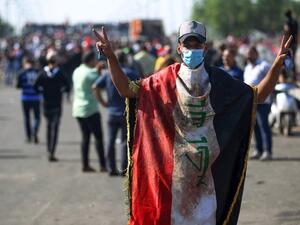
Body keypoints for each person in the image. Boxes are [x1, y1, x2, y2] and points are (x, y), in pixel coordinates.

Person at [93, 20, 291, 225]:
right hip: (172, 182)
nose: (192, 49)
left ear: (205, 48)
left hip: (208, 182)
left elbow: (257, 96)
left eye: (197, 44)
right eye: (188, 44)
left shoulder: (221, 82)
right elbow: (127, 90)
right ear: (179, 47)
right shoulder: (162, 81)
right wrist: (111, 57)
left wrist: (277, 64)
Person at [92, 50, 139, 176]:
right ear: (125, 60)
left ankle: (110, 168)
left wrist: (103, 102)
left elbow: (95, 86)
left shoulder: (108, 73)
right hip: (126, 111)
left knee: (110, 140)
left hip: (112, 111)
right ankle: (124, 168)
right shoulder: (132, 73)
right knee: (125, 142)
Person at [72, 51, 106, 172]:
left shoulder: (77, 70)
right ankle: (103, 165)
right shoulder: (90, 73)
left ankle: (85, 164)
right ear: (91, 60)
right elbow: (102, 81)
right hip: (90, 109)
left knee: (85, 137)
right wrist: (100, 69)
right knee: (98, 138)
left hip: (78, 109)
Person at [34, 51, 70, 162]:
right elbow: (67, 86)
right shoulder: (57, 73)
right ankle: (51, 151)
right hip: (52, 104)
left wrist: (43, 91)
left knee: (50, 127)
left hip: (48, 104)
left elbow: (36, 87)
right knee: (53, 128)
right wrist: (60, 91)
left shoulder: (45, 73)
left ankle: (50, 151)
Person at [244, 46, 272, 161]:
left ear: (256, 53)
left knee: (263, 126)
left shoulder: (264, 66)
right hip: (251, 102)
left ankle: (267, 151)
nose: (248, 56)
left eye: (251, 53)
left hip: (263, 101)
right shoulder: (248, 67)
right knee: (254, 127)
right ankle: (258, 150)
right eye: (247, 54)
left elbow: (272, 79)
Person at [16, 56, 41, 143]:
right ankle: (35, 130)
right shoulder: (38, 72)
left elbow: (18, 86)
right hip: (36, 97)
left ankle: (28, 136)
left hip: (25, 98)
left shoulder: (22, 73)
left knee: (27, 118)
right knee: (37, 117)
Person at [284, 9, 298, 79]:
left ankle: (288, 76)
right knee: (293, 59)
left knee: (288, 58)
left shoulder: (287, 22)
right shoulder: (295, 22)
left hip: (289, 43)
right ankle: (294, 76)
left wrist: (285, 42)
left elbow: (287, 31)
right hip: (295, 43)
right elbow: (297, 33)